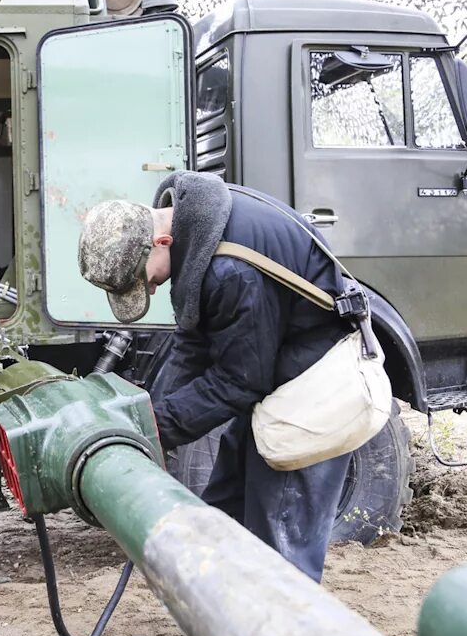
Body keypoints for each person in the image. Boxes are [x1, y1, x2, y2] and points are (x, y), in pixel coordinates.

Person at [77, 171, 352, 582]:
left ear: (161, 240)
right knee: (228, 506)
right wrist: (148, 420)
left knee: (280, 537)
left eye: (144, 280)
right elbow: (194, 342)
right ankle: (224, 618)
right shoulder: (197, 228)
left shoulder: (230, 270)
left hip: (314, 388)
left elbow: (239, 381)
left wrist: (161, 426)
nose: (149, 290)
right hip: (276, 368)